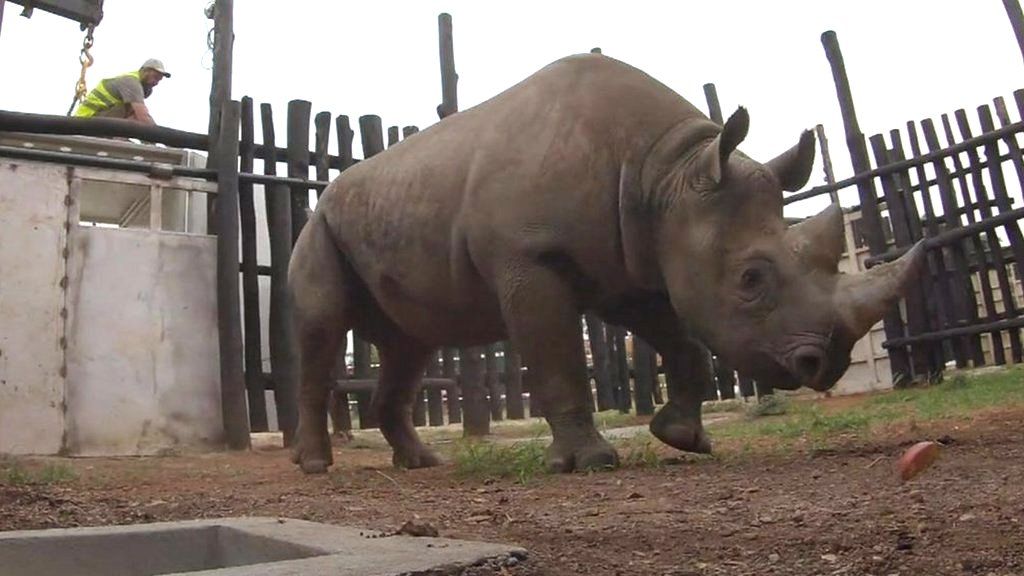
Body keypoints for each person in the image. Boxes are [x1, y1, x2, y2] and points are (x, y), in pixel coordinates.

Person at [73, 59, 171, 125]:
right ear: (145, 71)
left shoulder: (137, 84)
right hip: (86, 121)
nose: (156, 83)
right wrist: (163, 138)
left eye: (159, 80)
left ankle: (120, 139)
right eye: (155, 77)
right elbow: (143, 116)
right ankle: (117, 139)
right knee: (135, 114)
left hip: (96, 119)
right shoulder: (131, 83)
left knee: (134, 114)